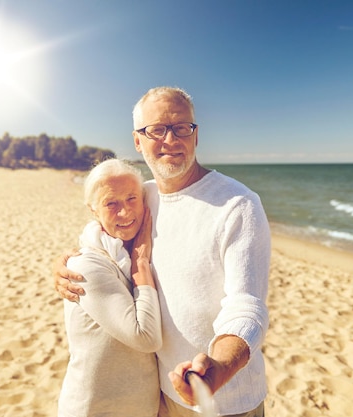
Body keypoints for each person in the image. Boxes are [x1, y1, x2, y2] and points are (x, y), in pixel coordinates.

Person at [54, 86, 271, 417]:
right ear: (138, 141)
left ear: (196, 136)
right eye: (156, 129)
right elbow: (105, 232)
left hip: (225, 399)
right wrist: (67, 262)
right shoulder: (143, 197)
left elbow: (247, 306)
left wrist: (220, 367)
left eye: (182, 127)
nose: (170, 139)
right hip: (163, 396)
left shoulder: (237, 205)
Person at [57, 158, 162, 417]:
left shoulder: (138, 248)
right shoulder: (86, 266)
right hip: (95, 409)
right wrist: (141, 264)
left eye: (131, 199)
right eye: (111, 203)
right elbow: (145, 337)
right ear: (93, 209)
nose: (125, 213)